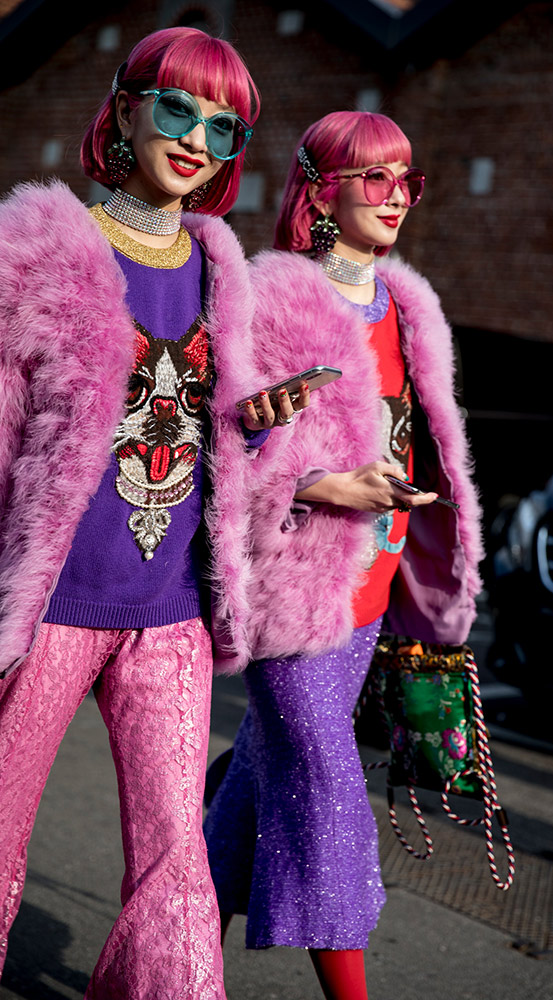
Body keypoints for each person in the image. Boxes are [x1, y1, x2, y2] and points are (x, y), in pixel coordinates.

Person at [0, 26, 306, 998]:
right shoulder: (39, 252)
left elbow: (225, 446)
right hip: (46, 608)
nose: (196, 137)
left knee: (178, 862)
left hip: (168, 613)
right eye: (176, 106)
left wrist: (259, 430)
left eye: (224, 127)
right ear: (124, 110)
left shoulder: (226, 275)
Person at [204, 111, 484, 1000]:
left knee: (250, 794)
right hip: (296, 593)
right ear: (321, 192)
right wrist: (325, 484)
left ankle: (161, 962)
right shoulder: (273, 294)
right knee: (327, 792)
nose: (396, 194)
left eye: (408, 178)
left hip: (373, 589)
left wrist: (419, 515)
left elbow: (422, 440)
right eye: (375, 178)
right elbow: (226, 442)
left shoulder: (408, 302)